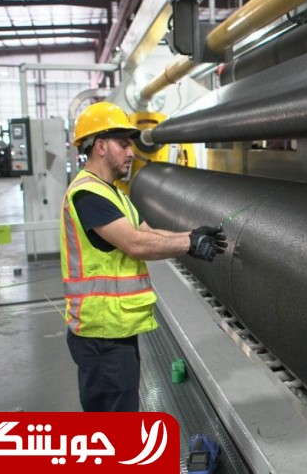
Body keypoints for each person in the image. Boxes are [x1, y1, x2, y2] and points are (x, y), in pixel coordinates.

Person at [60, 101, 227, 412]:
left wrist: (193, 235)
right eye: (123, 144)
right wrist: (189, 244)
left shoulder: (113, 194)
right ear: (101, 146)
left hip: (115, 330)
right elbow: (134, 244)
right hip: (101, 334)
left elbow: (147, 232)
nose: (131, 152)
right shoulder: (88, 195)